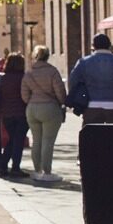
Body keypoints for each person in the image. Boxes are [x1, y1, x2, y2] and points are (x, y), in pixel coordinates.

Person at [68, 33, 113, 124]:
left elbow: (72, 82)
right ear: (109, 46)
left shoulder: (83, 62)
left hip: (91, 105)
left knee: (92, 137)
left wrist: (80, 99)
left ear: (93, 46)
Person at [20, 46, 67, 183]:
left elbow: (24, 94)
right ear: (47, 56)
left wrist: (32, 101)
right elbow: (60, 91)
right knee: (48, 140)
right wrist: (61, 102)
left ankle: (37, 170)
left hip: (32, 108)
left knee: (37, 140)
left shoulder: (28, 73)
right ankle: (47, 171)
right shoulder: (52, 71)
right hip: (50, 107)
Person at [0, 53, 29, 178]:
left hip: (6, 113)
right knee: (18, 140)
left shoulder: (2, 78)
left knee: (12, 139)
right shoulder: (24, 77)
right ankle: (15, 167)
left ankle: (3, 165)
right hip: (22, 113)